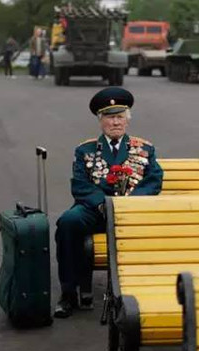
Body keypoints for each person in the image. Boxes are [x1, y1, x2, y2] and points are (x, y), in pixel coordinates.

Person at [53, 87, 164, 318]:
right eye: (110, 117)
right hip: (97, 210)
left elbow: (154, 180)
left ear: (127, 120)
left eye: (120, 117)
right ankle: (68, 293)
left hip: (132, 212)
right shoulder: (85, 150)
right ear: (100, 120)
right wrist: (101, 203)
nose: (116, 122)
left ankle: (153, 291)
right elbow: (80, 185)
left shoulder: (144, 149)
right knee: (67, 222)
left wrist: (131, 203)